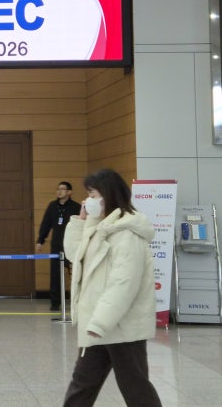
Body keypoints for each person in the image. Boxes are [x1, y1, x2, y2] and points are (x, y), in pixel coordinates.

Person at [62, 168, 162, 407]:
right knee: (82, 386)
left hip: (121, 327)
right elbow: (75, 255)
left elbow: (123, 284)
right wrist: (80, 222)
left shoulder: (128, 234)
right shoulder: (98, 227)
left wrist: (100, 323)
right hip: (97, 325)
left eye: (93, 195)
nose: (88, 200)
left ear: (109, 195)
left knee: (135, 388)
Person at [36, 181, 80, 311]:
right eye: (58, 189)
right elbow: (46, 224)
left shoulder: (76, 207)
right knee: (55, 275)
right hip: (56, 245)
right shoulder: (52, 206)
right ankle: (55, 303)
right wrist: (40, 240)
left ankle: (77, 302)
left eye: (63, 189)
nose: (59, 191)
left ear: (69, 192)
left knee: (75, 274)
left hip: (72, 244)